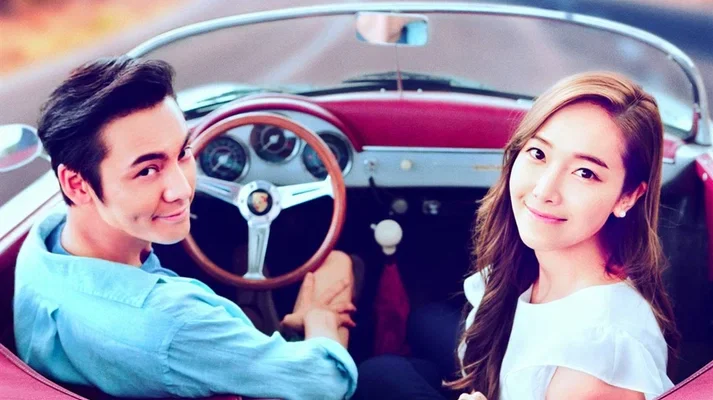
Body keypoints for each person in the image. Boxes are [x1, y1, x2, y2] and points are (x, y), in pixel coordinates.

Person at [14, 56, 359, 400]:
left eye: (183, 152)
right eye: (147, 170)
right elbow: (326, 384)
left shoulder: (44, 243)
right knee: (348, 278)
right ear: (76, 185)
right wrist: (321, 318)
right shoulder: (175, 323)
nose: (181, 190)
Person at [356, 71, 679, 400]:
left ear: (628, 196)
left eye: (585, 172)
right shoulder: (546, 260)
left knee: (380, 375)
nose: (544, 190)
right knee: (423, 323)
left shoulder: (592, 367)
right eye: (539, 154)